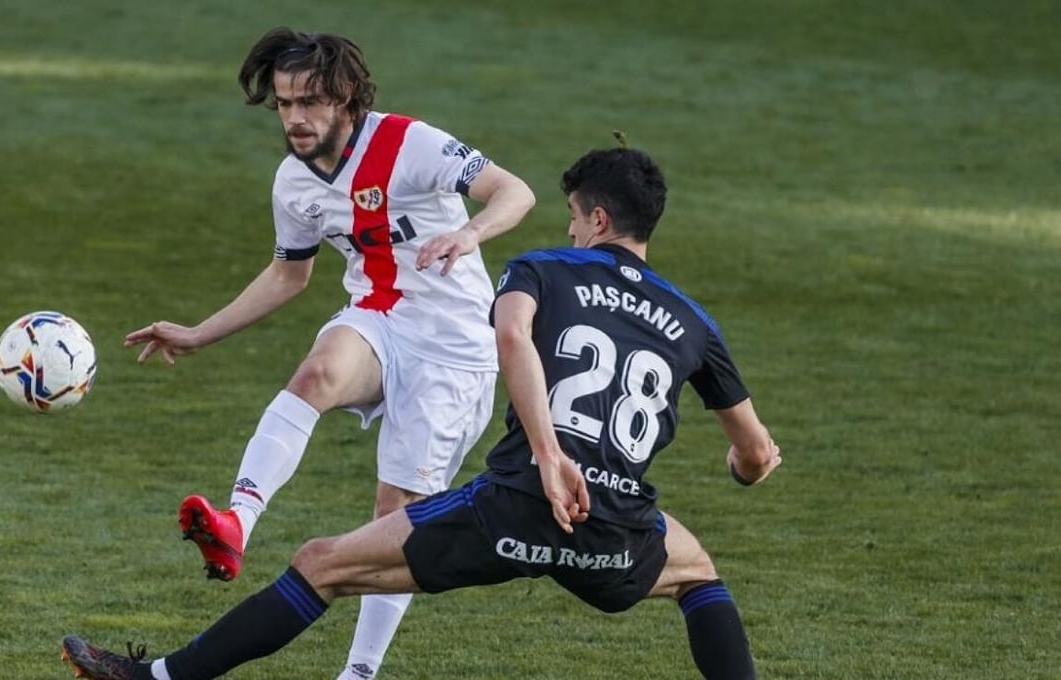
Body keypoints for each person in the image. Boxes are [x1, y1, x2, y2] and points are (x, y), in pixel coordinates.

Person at [65, 146, 782, 680]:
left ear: (597, 219)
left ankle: (159, 678)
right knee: (697, 577)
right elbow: (756, 455)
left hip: (517, 505)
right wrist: (741, 466)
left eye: (572, 217)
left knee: (321, 564)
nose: (569, 231)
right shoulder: (696, 322)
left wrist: (547, 456)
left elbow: (509, 336)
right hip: (615, 527)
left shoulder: (541, 268)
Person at [122, 27, 535, 680]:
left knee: (393, 521)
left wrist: (469, 232)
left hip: (455, 351)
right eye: (284, 103)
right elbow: (289, 275)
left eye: (309, 102)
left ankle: (360, 672)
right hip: (379, 318)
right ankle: (237, 524)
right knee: (316, 373)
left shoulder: (409, 143)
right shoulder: (294, 181)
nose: (295, 118)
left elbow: (516, 191)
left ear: (345, 97)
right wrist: (201, 332)